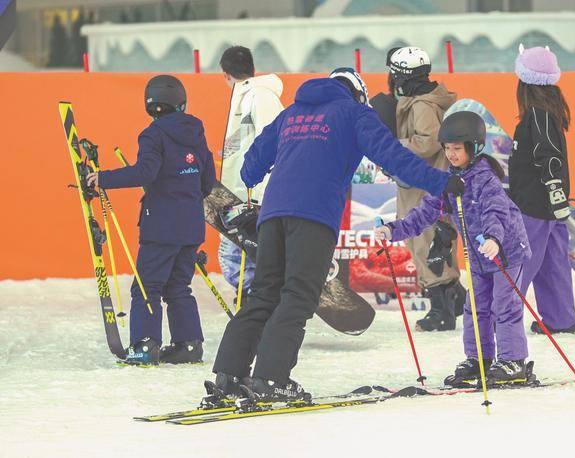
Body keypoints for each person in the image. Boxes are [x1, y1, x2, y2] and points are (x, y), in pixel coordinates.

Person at [206, 68, 464, 403]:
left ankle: (229, 375)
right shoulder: (356, 113)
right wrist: (442, 183)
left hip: (271, 216)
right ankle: (271, 379)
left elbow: (250, 166)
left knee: (264, 295)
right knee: (298, 295)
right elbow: (395, 158)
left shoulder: (291, 114)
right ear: (358, 93)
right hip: (313, 217)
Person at [375, 111, 533, 383]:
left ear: (474, 147)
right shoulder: (450, 181)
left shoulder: (486, 179)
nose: (451, 154)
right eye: (447, 148)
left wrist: (493, 239)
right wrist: (393, 229)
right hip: (478, 257)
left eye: (457, 149)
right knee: (475, 307)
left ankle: (512, 361)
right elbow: (425, 212)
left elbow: (495, 212)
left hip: (505, 251)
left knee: (504, 305)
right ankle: (479, 358)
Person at [87, 75, 216, 365]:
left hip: (161, 226)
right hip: (191, 225)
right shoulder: (196, 133)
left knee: (147, 286)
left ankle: (145, 346)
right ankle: (189, 345)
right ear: (180, 101)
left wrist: (102, 178)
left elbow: (145, 172)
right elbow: (207, 181)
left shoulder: (153, 134)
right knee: (178, 287)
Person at [387, 46, 466, 332]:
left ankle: (440, 310)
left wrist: (394, 148)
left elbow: (428, 141)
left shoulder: (421, 103)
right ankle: (456, 299)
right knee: (434, 239)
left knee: (425, 241)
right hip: (427, 179)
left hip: (422, 181)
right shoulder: (426, 99)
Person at [509, 45, 575, 334]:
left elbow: (548, 155)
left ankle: (503, 316)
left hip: (534, 206)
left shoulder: (537, 115)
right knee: (553, 264)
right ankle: (560, 318)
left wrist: (553, 189)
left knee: (521, 262)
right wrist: (558, 197)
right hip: (552, 207)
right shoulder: (548, 113)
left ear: (525, 81)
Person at [218, 46, 284, 299]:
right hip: (242, 191)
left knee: (230, 255)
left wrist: (258, 193)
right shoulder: (245, 95)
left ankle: (258, 298)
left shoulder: (259, 95)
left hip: (255, 193)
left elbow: (271, 141)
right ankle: (257, 298)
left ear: (224, 74)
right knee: (240, 252)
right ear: (252, 69)